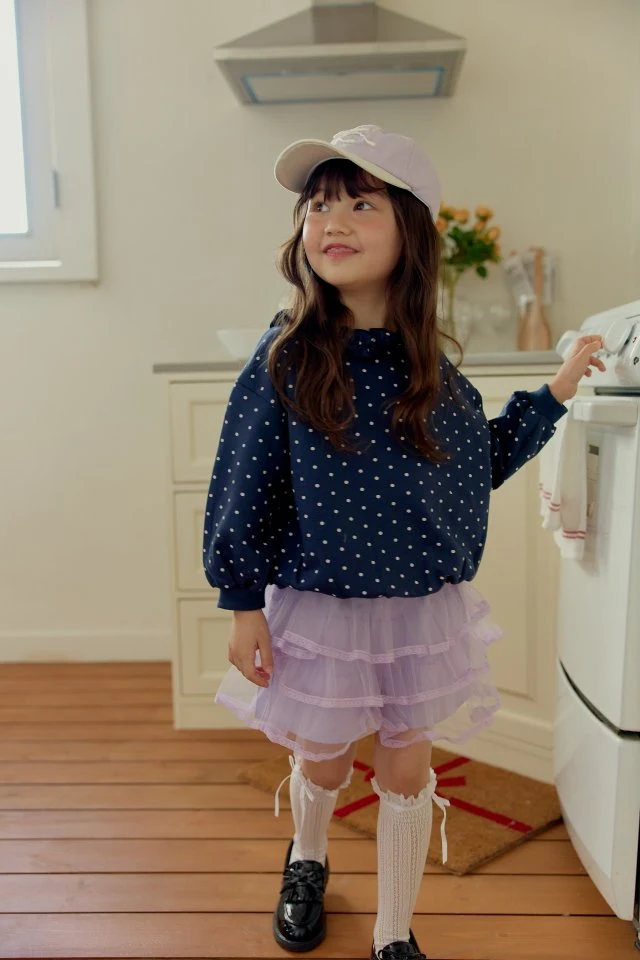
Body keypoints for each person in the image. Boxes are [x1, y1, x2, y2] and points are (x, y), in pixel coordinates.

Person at [202, 124, 604, 960]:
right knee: (322, 761)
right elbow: (244, 482)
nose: (332, 220)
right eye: (319, 205)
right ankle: (308, 857)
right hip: (325, 606)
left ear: (410, 231)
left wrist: (555, 394)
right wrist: (242, 601)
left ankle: (393, 931)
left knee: (407, 772)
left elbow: (475, 464)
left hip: (420, 612)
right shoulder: (287, 356)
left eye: (361, 203)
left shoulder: (432, 368)